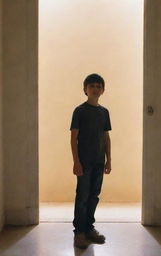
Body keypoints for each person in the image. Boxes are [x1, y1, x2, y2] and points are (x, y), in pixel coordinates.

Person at [70, 73, 112, 249]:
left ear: (102, 90)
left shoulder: (104, 112)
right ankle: (79, 231)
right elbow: (73, 138)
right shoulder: (79, 111)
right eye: (91, 86)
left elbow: (106, 137)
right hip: (84, 162)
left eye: (98, 86)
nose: (95, 89)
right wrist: (76, 162)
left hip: (98, 162)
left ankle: (89, 228)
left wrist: (109, 160)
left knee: (94, 196)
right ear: (85, 89)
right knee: (83, 196)